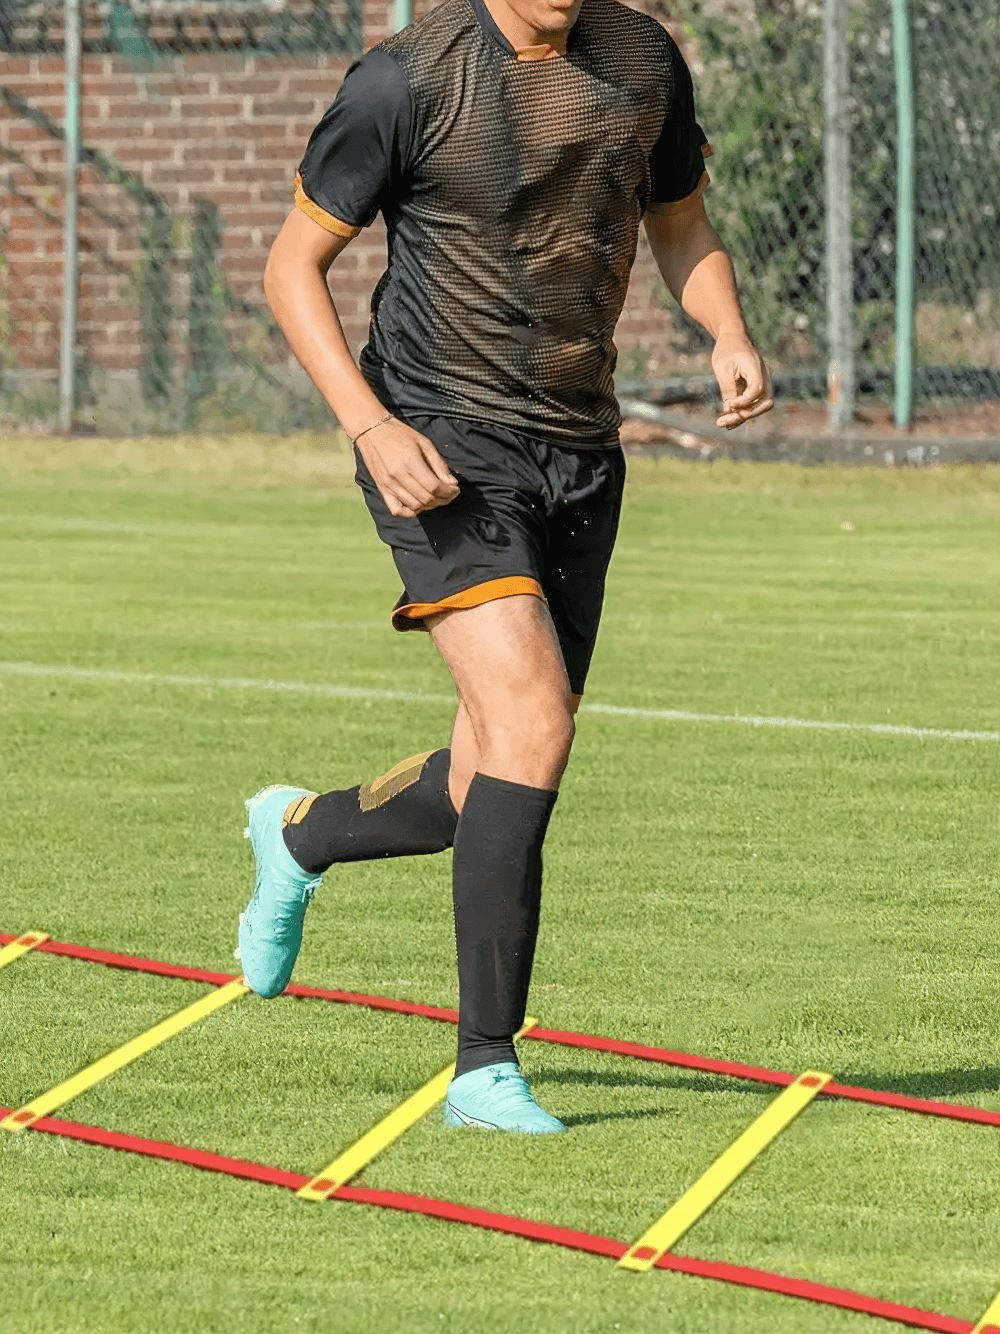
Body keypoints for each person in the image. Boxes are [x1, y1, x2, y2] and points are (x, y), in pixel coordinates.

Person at [239, 0, 773, 1134]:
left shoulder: (640, 60)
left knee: (496, 764)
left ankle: (298, 834)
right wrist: (371, 428)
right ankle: (484, 1064)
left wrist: (725, 330)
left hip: (582, 450)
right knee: (533, 723)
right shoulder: (405, 79)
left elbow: (680, 223)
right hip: (439, 441)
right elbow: (294, 268)